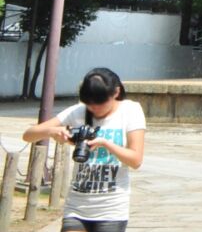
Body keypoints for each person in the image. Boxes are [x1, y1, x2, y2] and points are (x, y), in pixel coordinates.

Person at [22, 67, 146, 232]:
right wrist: (52, 131)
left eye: (100, 104)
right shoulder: (78, 112)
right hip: (77, 205)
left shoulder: (130, 111)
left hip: (111, 209)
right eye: (90, 105)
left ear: (116, 93)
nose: (94, 109)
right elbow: (28, 135)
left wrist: (105, 143)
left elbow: (136, 160)